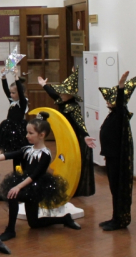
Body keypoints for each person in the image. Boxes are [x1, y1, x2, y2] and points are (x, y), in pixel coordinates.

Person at [0, 112, 78, 241]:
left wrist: (17, 187)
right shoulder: (27, 149)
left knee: (12, 195)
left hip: (36, 186)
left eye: (30, 133)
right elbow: (9, 155)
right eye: (27, 132)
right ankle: (64, 219)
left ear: (41, 135)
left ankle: (10, 230)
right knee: (34, 223)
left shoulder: (45, 155)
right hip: (26, 183)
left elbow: (35, 175)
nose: (27, 136)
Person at [39, 68, 97, 197]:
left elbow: (80, 122)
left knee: (72, 162)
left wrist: (85, 136)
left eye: (63, 93)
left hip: (74, 138)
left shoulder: (74, 107)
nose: (60, 95)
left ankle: (73, 186)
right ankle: (65, 182)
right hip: (65, 137)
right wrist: (44, 85)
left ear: (70, 95)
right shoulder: (62, 101)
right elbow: (53, 94)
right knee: (63, 159)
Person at [98, 71, 136, 231]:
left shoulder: (120, 114)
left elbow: (121, 102)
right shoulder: (113, 115)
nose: (107, 101)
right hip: (111, 157)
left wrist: (121, 86)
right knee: (113, 189)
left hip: (118, 159)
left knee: (118, 189)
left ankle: (120, 220)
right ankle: (115, 217)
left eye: (110, 99)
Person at [0, 67, 29, 158]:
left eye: (13, 93)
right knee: (13, 151)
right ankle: (16, 165)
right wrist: (3, 76)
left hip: (19, 129)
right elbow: (5, 89)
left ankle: (21, 164)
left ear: (20, 93)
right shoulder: (12, 101)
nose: (11, 95)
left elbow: (20, 92)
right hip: (9, 127)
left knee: (20, 150)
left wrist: (16, 76)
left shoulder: (22, 102)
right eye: (11, 93)